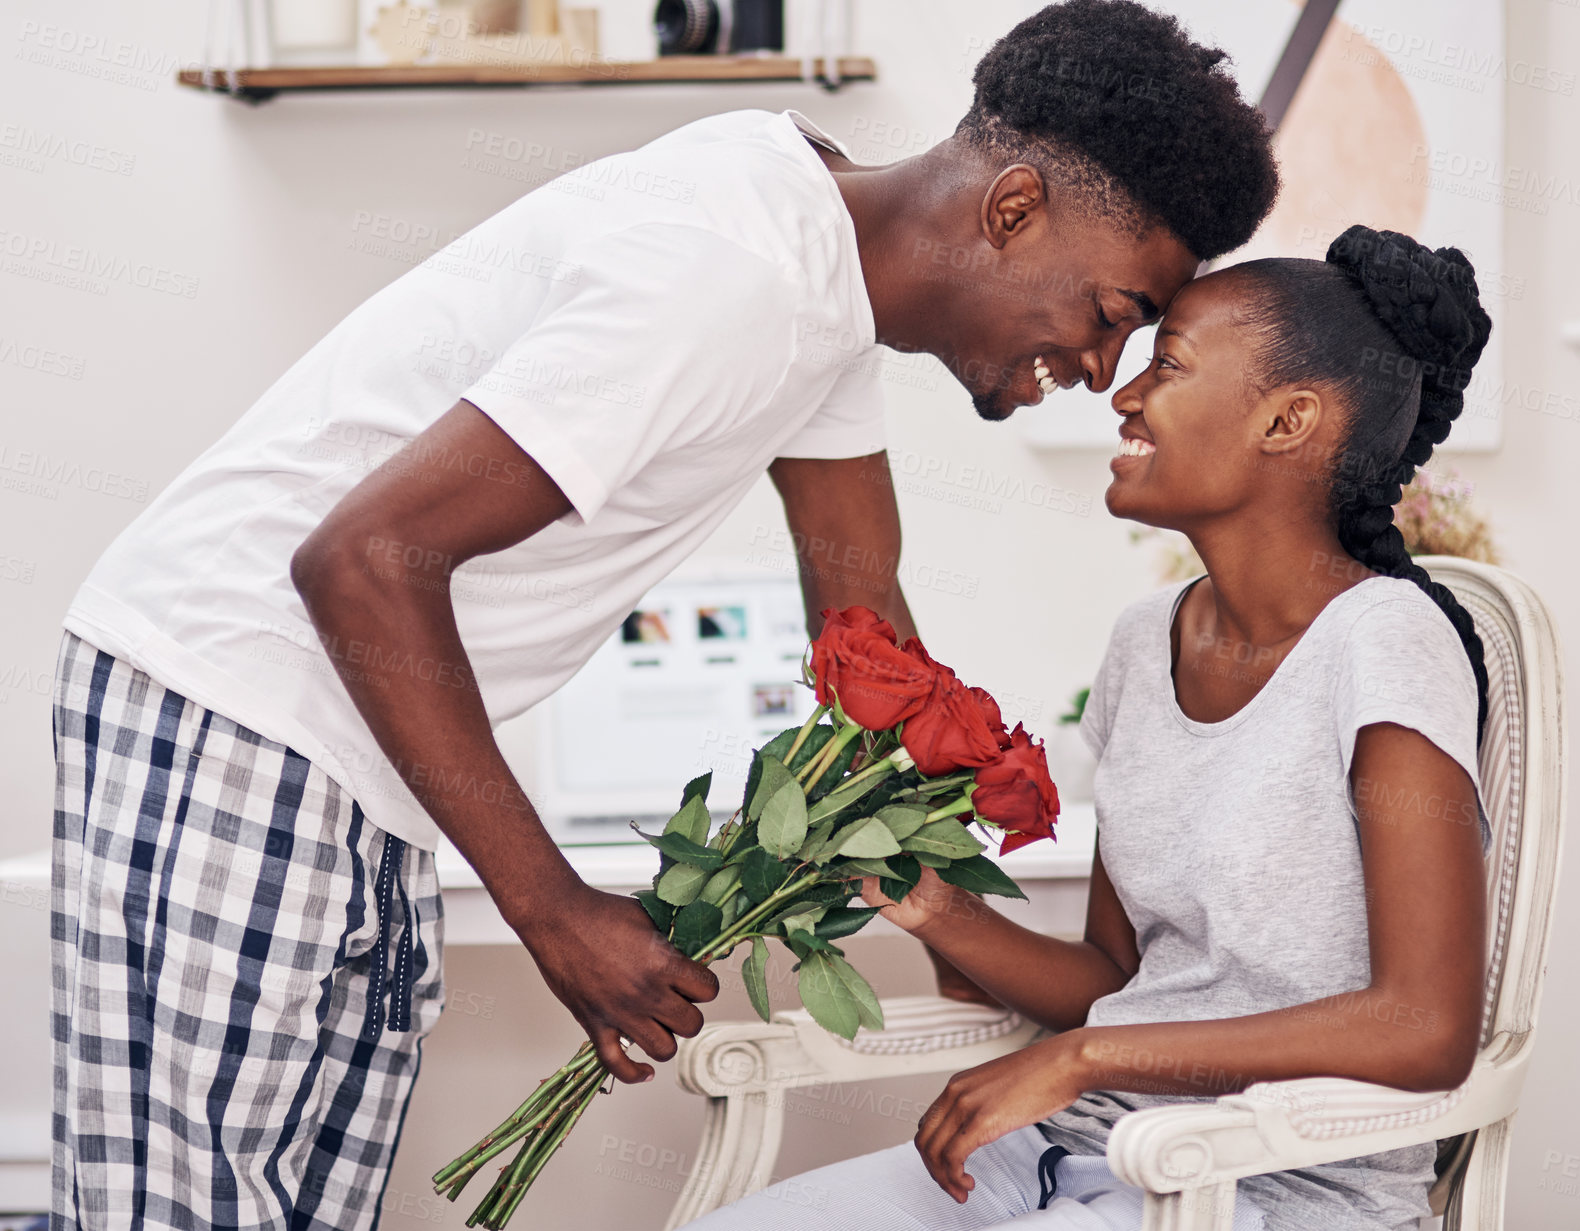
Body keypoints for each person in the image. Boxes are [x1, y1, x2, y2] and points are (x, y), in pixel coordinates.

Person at [48, 2, 1279, 1227]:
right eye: (1114, 313)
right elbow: (363, 559)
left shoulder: (823, 272)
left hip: (345, 750)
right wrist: (556, 910)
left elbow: (863, 620)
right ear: (1013, 210)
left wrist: (932, 890)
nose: (1104, 368)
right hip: (233, 702)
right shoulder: (730, 270)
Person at [681, 227, 1494, 1231]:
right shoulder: (1146, 639)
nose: (1123, 395)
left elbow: (1426, 1025)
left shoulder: (1386, 641)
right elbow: (1113, 977)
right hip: (1066, 1154)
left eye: (1172, 365)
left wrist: (1084, 1056)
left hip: (1272, 1189)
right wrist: (932, 906)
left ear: (1290, 420)